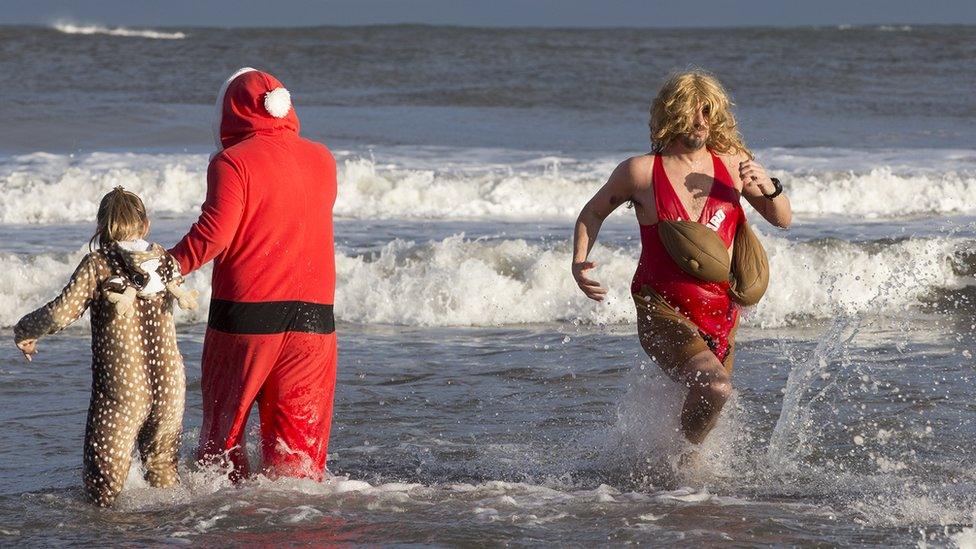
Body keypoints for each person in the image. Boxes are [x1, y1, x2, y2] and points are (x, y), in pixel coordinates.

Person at [572, 70, 792, 444]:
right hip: (661, 309)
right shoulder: (640, 172)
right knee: (715, 388)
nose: (702, 121)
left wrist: (769, 187)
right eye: (694, 112)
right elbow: (593, 212)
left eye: (708, 111)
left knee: (709, 402)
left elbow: (782, 219)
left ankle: (671, 480)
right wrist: (579, 261)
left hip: (721, 315)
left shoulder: (733, 163)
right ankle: (682, 467)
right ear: (672, 113)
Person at [169, 68, 338, 481]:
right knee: (300, 461)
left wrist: (165, 266)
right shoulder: (323, 158)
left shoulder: (232, 162)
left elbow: (214, 235)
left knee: (221, 450)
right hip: (315, 321)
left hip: (245, 317)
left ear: (231, 111)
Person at [13, 187, 197, 506]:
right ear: (146, 225)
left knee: (103, 487)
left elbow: (61, 312)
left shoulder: (99, 264)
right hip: (169, 384)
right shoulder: (165, 262)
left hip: (124, 390)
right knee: (164, 477)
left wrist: (24, 330)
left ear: (101, 228)